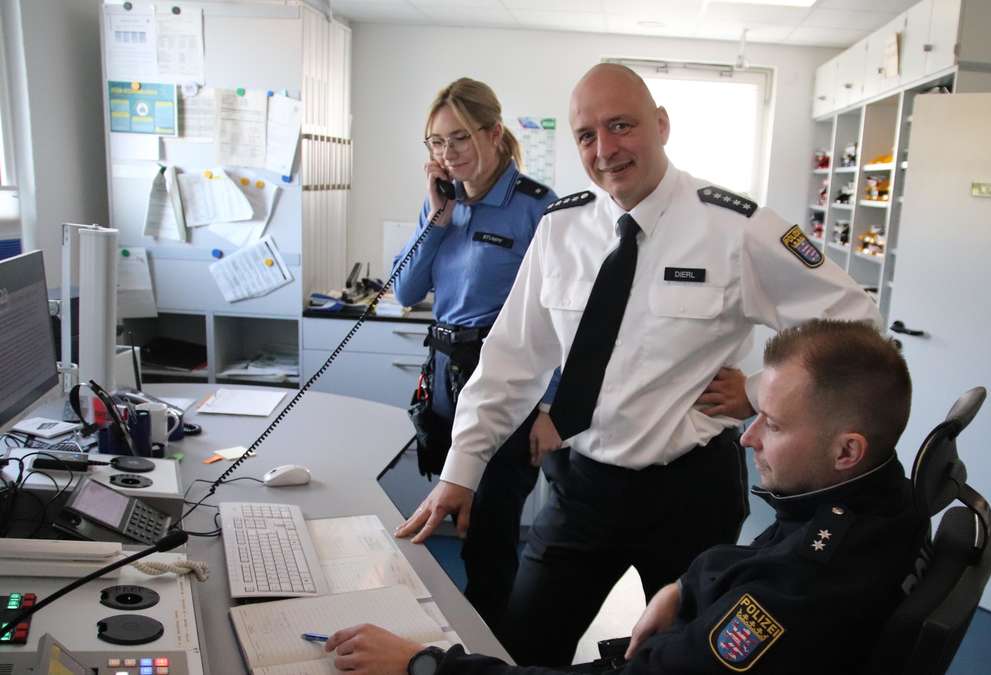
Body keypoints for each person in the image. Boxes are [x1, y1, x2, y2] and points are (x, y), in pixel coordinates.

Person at [396, 63, 883, 666]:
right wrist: (460, 472)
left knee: (686, 661)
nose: (605, 149)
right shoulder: (560, 229)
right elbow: (510, 361)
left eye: (621, 126)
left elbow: (856, 321)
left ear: (661, 126)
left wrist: (760, 392)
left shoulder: (736, 228)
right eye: (586, 135)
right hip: (582, 487)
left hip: (690, 494)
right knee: (523, 647)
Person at [325, 320, 927, 674]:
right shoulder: (862, 496)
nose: (747, 437)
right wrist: (683, 587)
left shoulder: (805, 585)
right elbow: (760, 555)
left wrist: (425, 666)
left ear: (846, 449)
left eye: (771, 422)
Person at [392, 77, 561, 628]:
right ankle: (462, 632)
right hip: (445, 376)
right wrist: (436, 219)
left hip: (507, 385)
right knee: (453, 515)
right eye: (436, 142)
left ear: (493, 133)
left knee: (490, 532)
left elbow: (565, 319)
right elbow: (405, 291)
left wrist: (550, 407)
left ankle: (491, 649)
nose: (448, 153)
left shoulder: (538, 208)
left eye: (460, 138)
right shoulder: (444, 204)